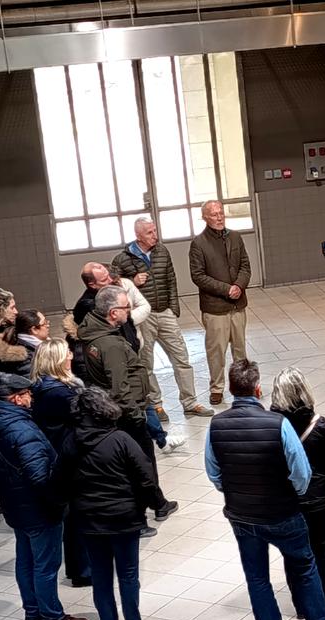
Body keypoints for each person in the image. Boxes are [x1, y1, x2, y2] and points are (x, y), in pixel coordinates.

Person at [205, 359, 325, 620]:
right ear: (258, 389)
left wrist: (235, 491)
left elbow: (214, 471)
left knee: (257, 578)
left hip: (241, 516)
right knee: (305, 564)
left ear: (231, 389)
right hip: (282, 512)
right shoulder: (277, 425)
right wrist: (289, 493)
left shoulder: (216, 425)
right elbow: (301, 472)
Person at [0, 374, 88, 620]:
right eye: (28, 394)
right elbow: (40, 476)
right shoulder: (21, 430)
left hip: (15, 505)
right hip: (37, 508)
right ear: (16, 398)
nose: (32, 399)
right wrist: (58, 501)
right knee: (46, 564)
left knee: (26, 560)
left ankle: (33, 612)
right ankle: (53, 618)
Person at [78, 285, 178, 528]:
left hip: (116, 410)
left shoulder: (92, 332)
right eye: (126, 307)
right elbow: (120, 386)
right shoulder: (110, 345)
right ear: (113, 313)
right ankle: (142, 515)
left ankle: (158, 502)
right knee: (140, 464)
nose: (129, 311)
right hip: (127, 414)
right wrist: (136, 415)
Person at [71, 386, 159, 620]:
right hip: (124, 518)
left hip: (89, 520)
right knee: (129, 574)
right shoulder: (121, 439)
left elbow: (59, 478)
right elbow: (145, 477)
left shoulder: (71, 441)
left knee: (100, 577)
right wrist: (154, 504)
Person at [112, 217, 214, 420]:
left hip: (165, 312)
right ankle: (156, 405)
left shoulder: (161, 251)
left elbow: (171, 278)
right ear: (138, 235)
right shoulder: (122, 259)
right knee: (146, 364)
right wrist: (133, 281)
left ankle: (190, 402)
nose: (155, 235)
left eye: (155, 231)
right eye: (150, 232)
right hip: (143, 317)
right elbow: (114, 288)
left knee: (182, 358)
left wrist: (173, 307)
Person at [270, 367, 325, 609]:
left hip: (288, 501)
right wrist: (320, 479)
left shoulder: (274, 427)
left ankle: (301, 604)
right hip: (320, 501)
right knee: (321, 549)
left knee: (293, 553)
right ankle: (323, 602)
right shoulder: (320, 425)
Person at [30, 338, 91, 588]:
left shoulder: (44, 387)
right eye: (66, 354)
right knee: (77, 514)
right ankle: (82, 569)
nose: (71, 357)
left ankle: (80, 566)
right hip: (68, 455)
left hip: (61, 452)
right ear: (56, 360)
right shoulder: (59, 392)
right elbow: (84, 417)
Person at [190, 200, 252, 405]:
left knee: (240, 350)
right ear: (205, 218)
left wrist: (239, 286)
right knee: (216, 351)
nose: (219, 217)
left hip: (237, 304)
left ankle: (243, 386)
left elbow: (245, 266)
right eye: (214, 214)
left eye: (220, 213)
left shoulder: (235, 237)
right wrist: (226, 290)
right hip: (215, 308)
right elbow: (198, 276)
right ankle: (217, 388)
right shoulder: (199, 243)